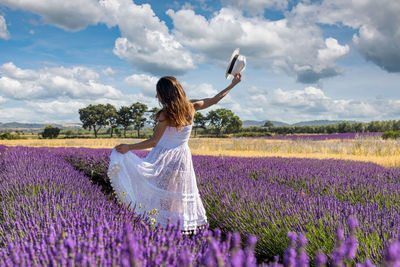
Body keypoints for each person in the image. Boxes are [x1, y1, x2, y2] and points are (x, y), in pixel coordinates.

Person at [107, 73, 242, 234]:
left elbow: (153, 142)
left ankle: (160, 227)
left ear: (165, 94)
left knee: (159, 191)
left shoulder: (165, 114)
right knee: (176, 192)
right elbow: (215, 99)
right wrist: (233, 84)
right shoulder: (191, 107)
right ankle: (176, 227)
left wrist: (129, 147)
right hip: (182, 157)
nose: (156, 95)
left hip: (163, 157)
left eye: (158, 92)